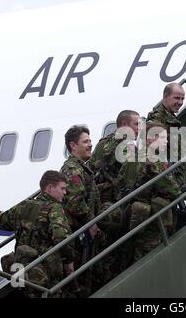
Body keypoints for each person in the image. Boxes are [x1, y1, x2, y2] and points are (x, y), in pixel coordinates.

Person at [0, 170, 74, 298]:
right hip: (45, 271)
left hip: (23, 269)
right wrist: (69, 261)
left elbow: (1, 221)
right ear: (50, 188)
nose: (65, 192)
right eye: (62, 188)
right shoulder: (54, 208)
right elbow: (62, 238)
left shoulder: (24, 205)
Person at [117, 122, 181, 263]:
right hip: (151, 220)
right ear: (150, 139)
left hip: (134, 216)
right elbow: (173, 190)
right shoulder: (154, 159)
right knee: (151, 258)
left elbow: (120, 183)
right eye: (163, 138)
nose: (166, 141)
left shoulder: (131, 158)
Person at [88, 110, 141, 274]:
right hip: (117, 203)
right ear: (124, 125)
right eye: (136, 124)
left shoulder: (102, 143)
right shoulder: (128, 145)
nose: (139, 128)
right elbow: (132, 176)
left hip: (101, 204)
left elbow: (91, 169)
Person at [60, 125, 104, 296]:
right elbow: (75, 202)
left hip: (84, 232)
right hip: (79, 234)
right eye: (85, 142)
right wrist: (90, 223)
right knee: (79, 284)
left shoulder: (82, 168)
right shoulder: (72, 169)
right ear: (73, 146)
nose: (90, 145)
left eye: (90, 141)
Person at [147, 83, 186, 230]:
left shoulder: (171, 118)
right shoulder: (157, 119)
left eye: (182, 99)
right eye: (176, 98)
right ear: (166, 97)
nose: (180, 102)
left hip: (175, 181)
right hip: (165, 183)